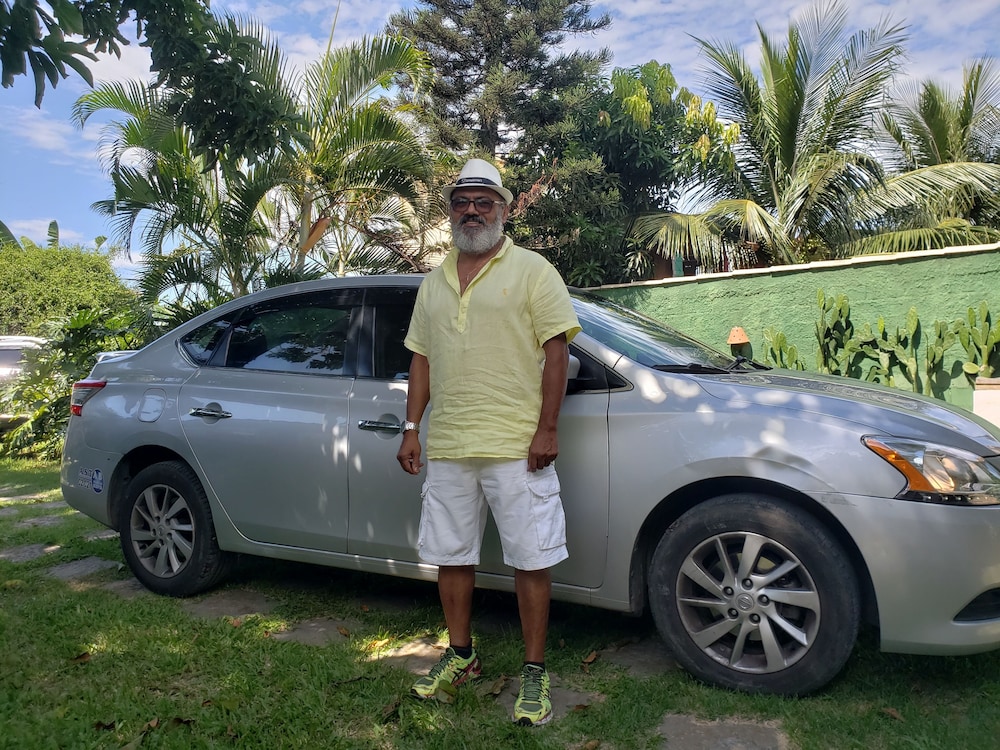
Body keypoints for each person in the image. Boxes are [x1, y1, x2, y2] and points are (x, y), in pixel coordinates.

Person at [397, 158, 581, 727]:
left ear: (503, 210)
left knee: (531, 557)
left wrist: (547, 428)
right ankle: (461, 656)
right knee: (451, 555)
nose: (472, 211)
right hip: (450, 443)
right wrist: (412, 428)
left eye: (483, 202)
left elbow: (557, 350)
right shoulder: (434, 282)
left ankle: (534, 670)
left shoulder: (533, 270)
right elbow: (421, 359)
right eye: (462, 202)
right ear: (451, 211)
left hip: (515, 444)